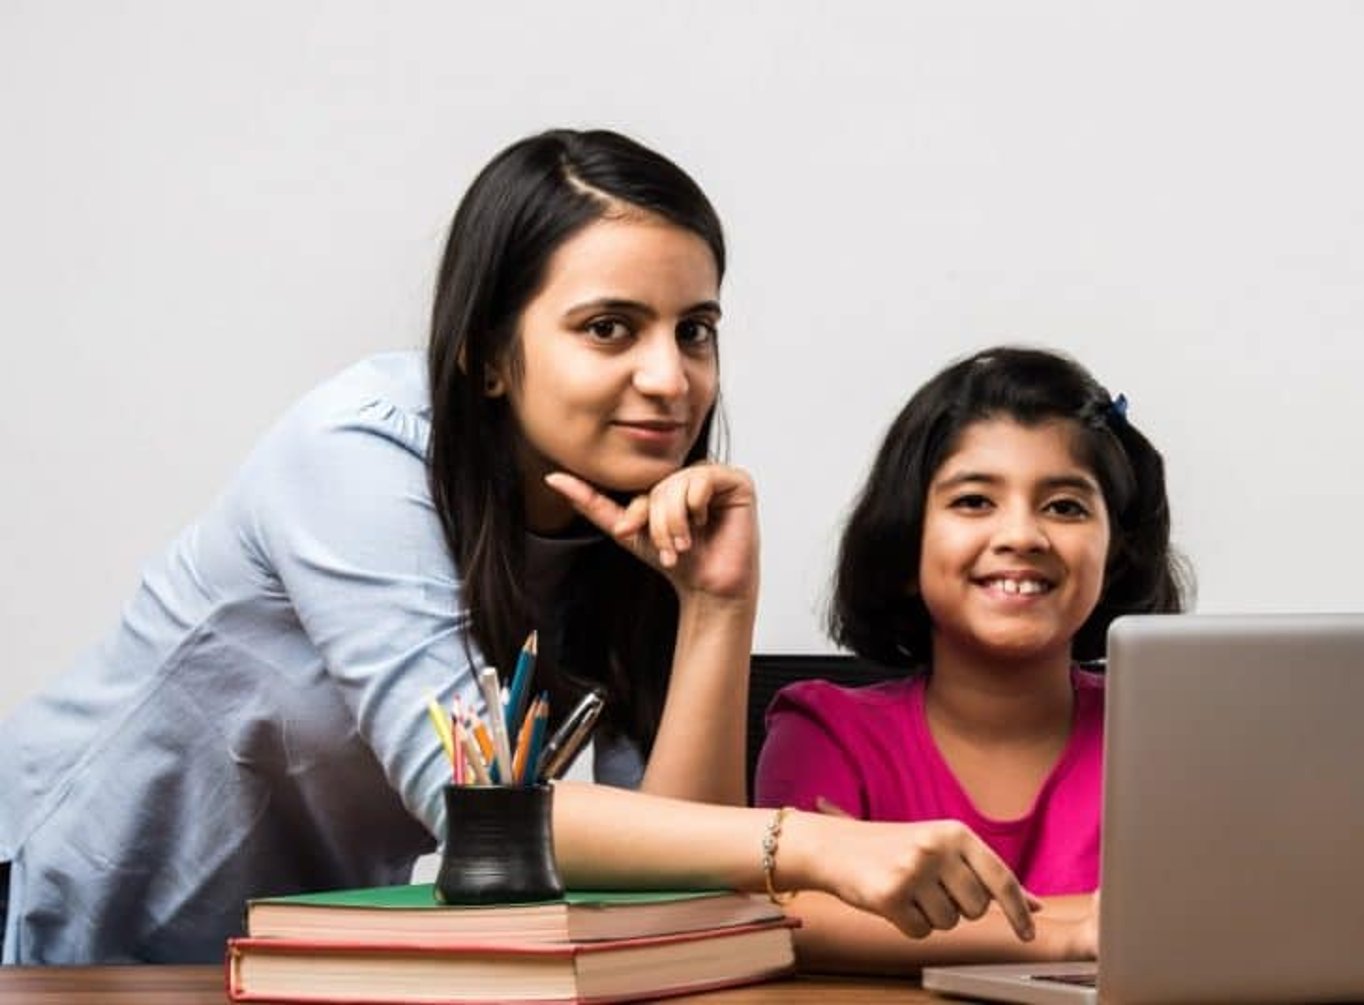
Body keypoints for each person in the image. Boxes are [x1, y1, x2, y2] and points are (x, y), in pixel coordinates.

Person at [0, 129, 1035, 964]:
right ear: (488, 354)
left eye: (696, 329)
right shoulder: (358, 447)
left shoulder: (626, 528)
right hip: (62, 935)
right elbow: (482, 817)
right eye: (610, 329)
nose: (672, 379)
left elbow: (656, 885)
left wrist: (717, 607)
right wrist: (815, 846)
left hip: (279, 965)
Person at [754, 346, 1188, 973]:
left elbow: (1221, 911)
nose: (1021, 536)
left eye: (1065, 506)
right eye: (974, 502)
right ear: (906, 546)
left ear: (1116, 553)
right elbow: (792, 917)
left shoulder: (1168, 737)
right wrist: (1072, 931)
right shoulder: (826, 734)